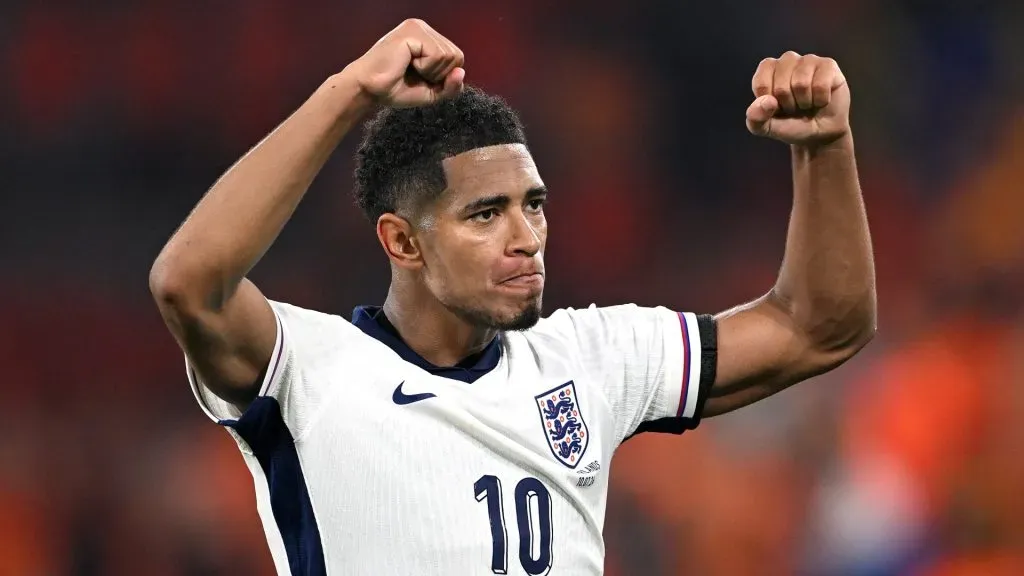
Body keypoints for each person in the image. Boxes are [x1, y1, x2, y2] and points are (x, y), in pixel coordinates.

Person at [149, 18, 877, 576]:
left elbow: (820, 327)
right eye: (485, 214)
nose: (527, 236)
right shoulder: (311, 372)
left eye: (534, 204)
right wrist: (350, 93)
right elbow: (189, 286)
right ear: (402, 242)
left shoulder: (588, 359)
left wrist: (825, 148)